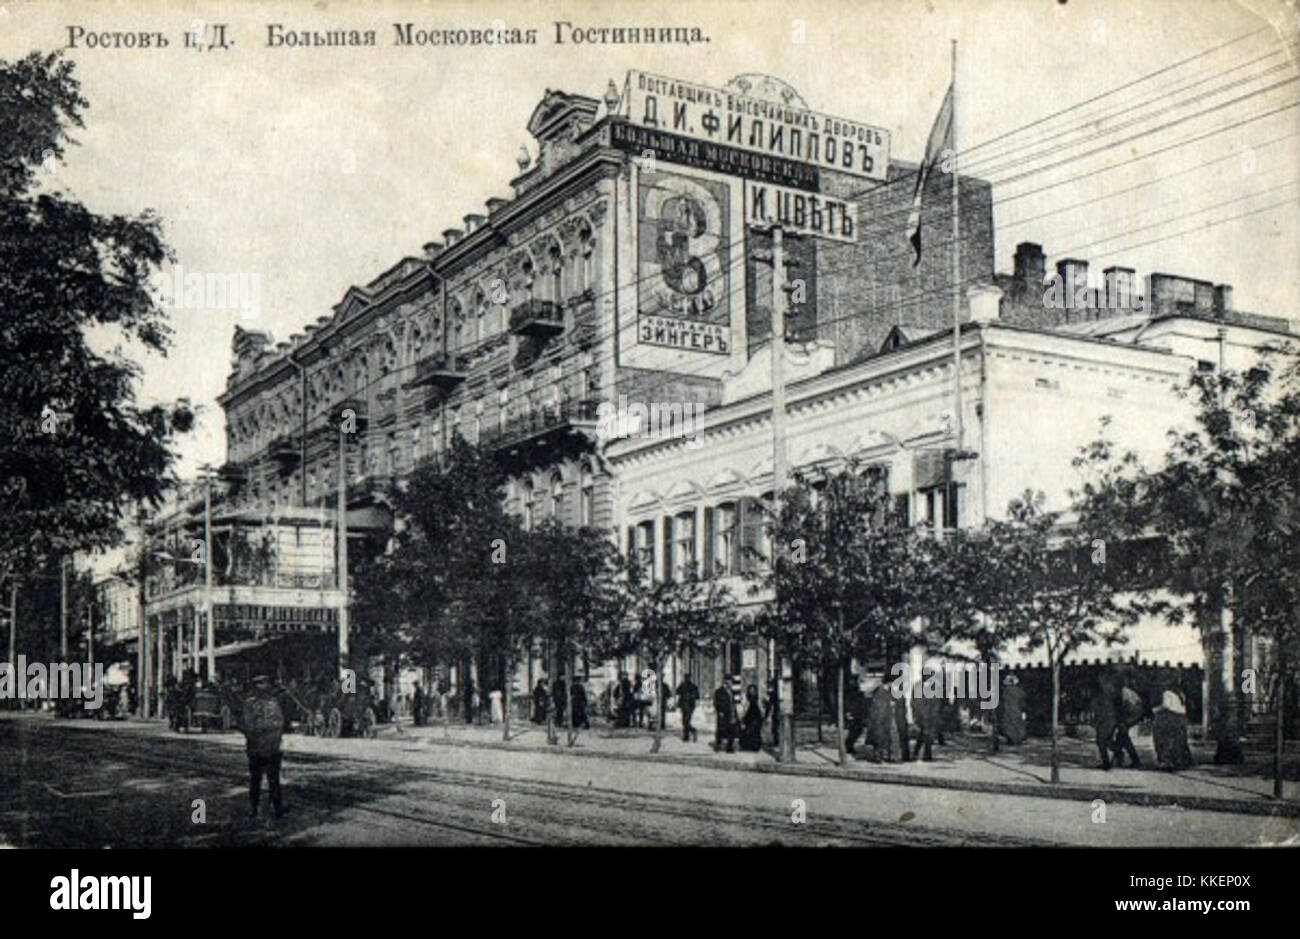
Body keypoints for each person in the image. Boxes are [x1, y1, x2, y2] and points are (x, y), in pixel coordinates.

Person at [241, 674, 286, 819]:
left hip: (270, 747)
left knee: (273, 781)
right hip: (257, 747)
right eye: (260, 684)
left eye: (265, 684)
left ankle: (277, 809)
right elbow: (248, 726)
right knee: (256, 780)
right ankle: (254, 808)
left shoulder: (273, 703)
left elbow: (279, 723)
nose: (263, 687)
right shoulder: (250, 704)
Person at [712, 679, 737, 753]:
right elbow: (716, 703)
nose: (731, 684)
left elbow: (732, 703)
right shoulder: (719, 691)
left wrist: (734, 714)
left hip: (731, 713)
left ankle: (730, 747)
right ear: (726, 682)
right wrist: (719, 711)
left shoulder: (731, 691)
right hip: (723, 714)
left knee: (732, 730)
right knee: (721, 730)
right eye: (730, 682)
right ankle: (718, 745)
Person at [739, 684, 764, 751]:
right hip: (749, 717)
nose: (752, 692)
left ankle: (755, 746)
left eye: (753, 690)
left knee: (755, 733)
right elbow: (745, 708)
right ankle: (748, 746)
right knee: (748, 732)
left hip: (756, 717)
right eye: (751, 690)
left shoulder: (757, 699)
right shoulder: (748, 699)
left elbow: (760, 708)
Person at [676, 675, 699, 742]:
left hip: (685, 705)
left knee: (685, 721)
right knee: (686, 721)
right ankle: (687, 735)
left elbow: (677, 691)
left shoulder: (683, 685)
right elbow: (697, 696)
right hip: (690, 706)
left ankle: (692, 732)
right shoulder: (693, 686)